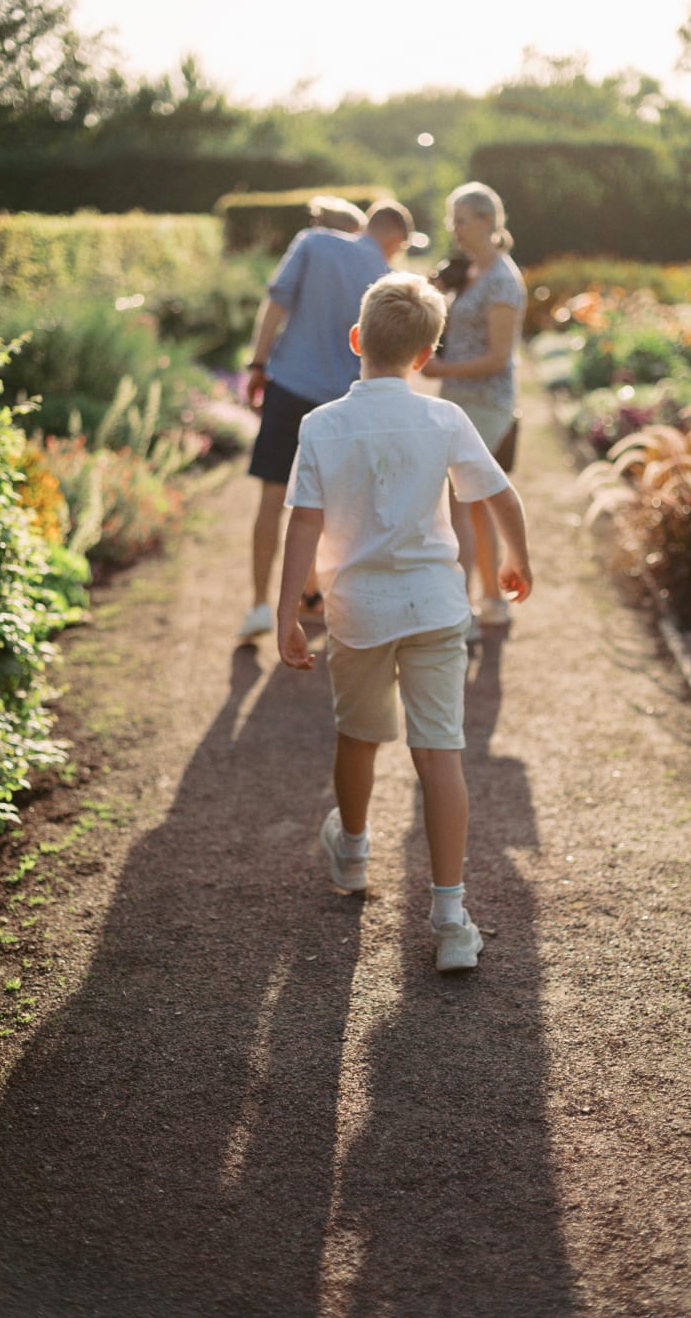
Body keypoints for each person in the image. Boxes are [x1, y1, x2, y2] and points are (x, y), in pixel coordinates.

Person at [276, 273, 533, 972]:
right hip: (435, 605)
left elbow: (304, 523)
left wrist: (285, 613)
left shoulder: (320, 425)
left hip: (358, 610)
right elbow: (501, 496)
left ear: (357, 340)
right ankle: (450, 917)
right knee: (439, 753)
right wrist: (518, 561)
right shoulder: (445, 420)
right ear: (425, 356)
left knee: (358, 737)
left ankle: (354, 851)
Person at [238, 199, 414, 642]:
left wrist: (258, 365)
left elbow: (275, 306)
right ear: (396, 241)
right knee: (335, 508)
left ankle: (261, 605)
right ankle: (321, 598)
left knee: (271, 499)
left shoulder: (313, 242)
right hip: (341, 404)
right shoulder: (390, 280)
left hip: (289, 385)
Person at [420, 182, 527, 635]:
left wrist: (441, 367)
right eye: (452, 219)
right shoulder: (472, 273)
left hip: (486, 401)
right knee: (476, 502)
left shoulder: (502, 280)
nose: (454, 228)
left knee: (459, 500)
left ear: (487, 221)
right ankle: (491, 601)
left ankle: (461, 609)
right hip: (460, 398)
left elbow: (497, 358)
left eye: (461, 219)